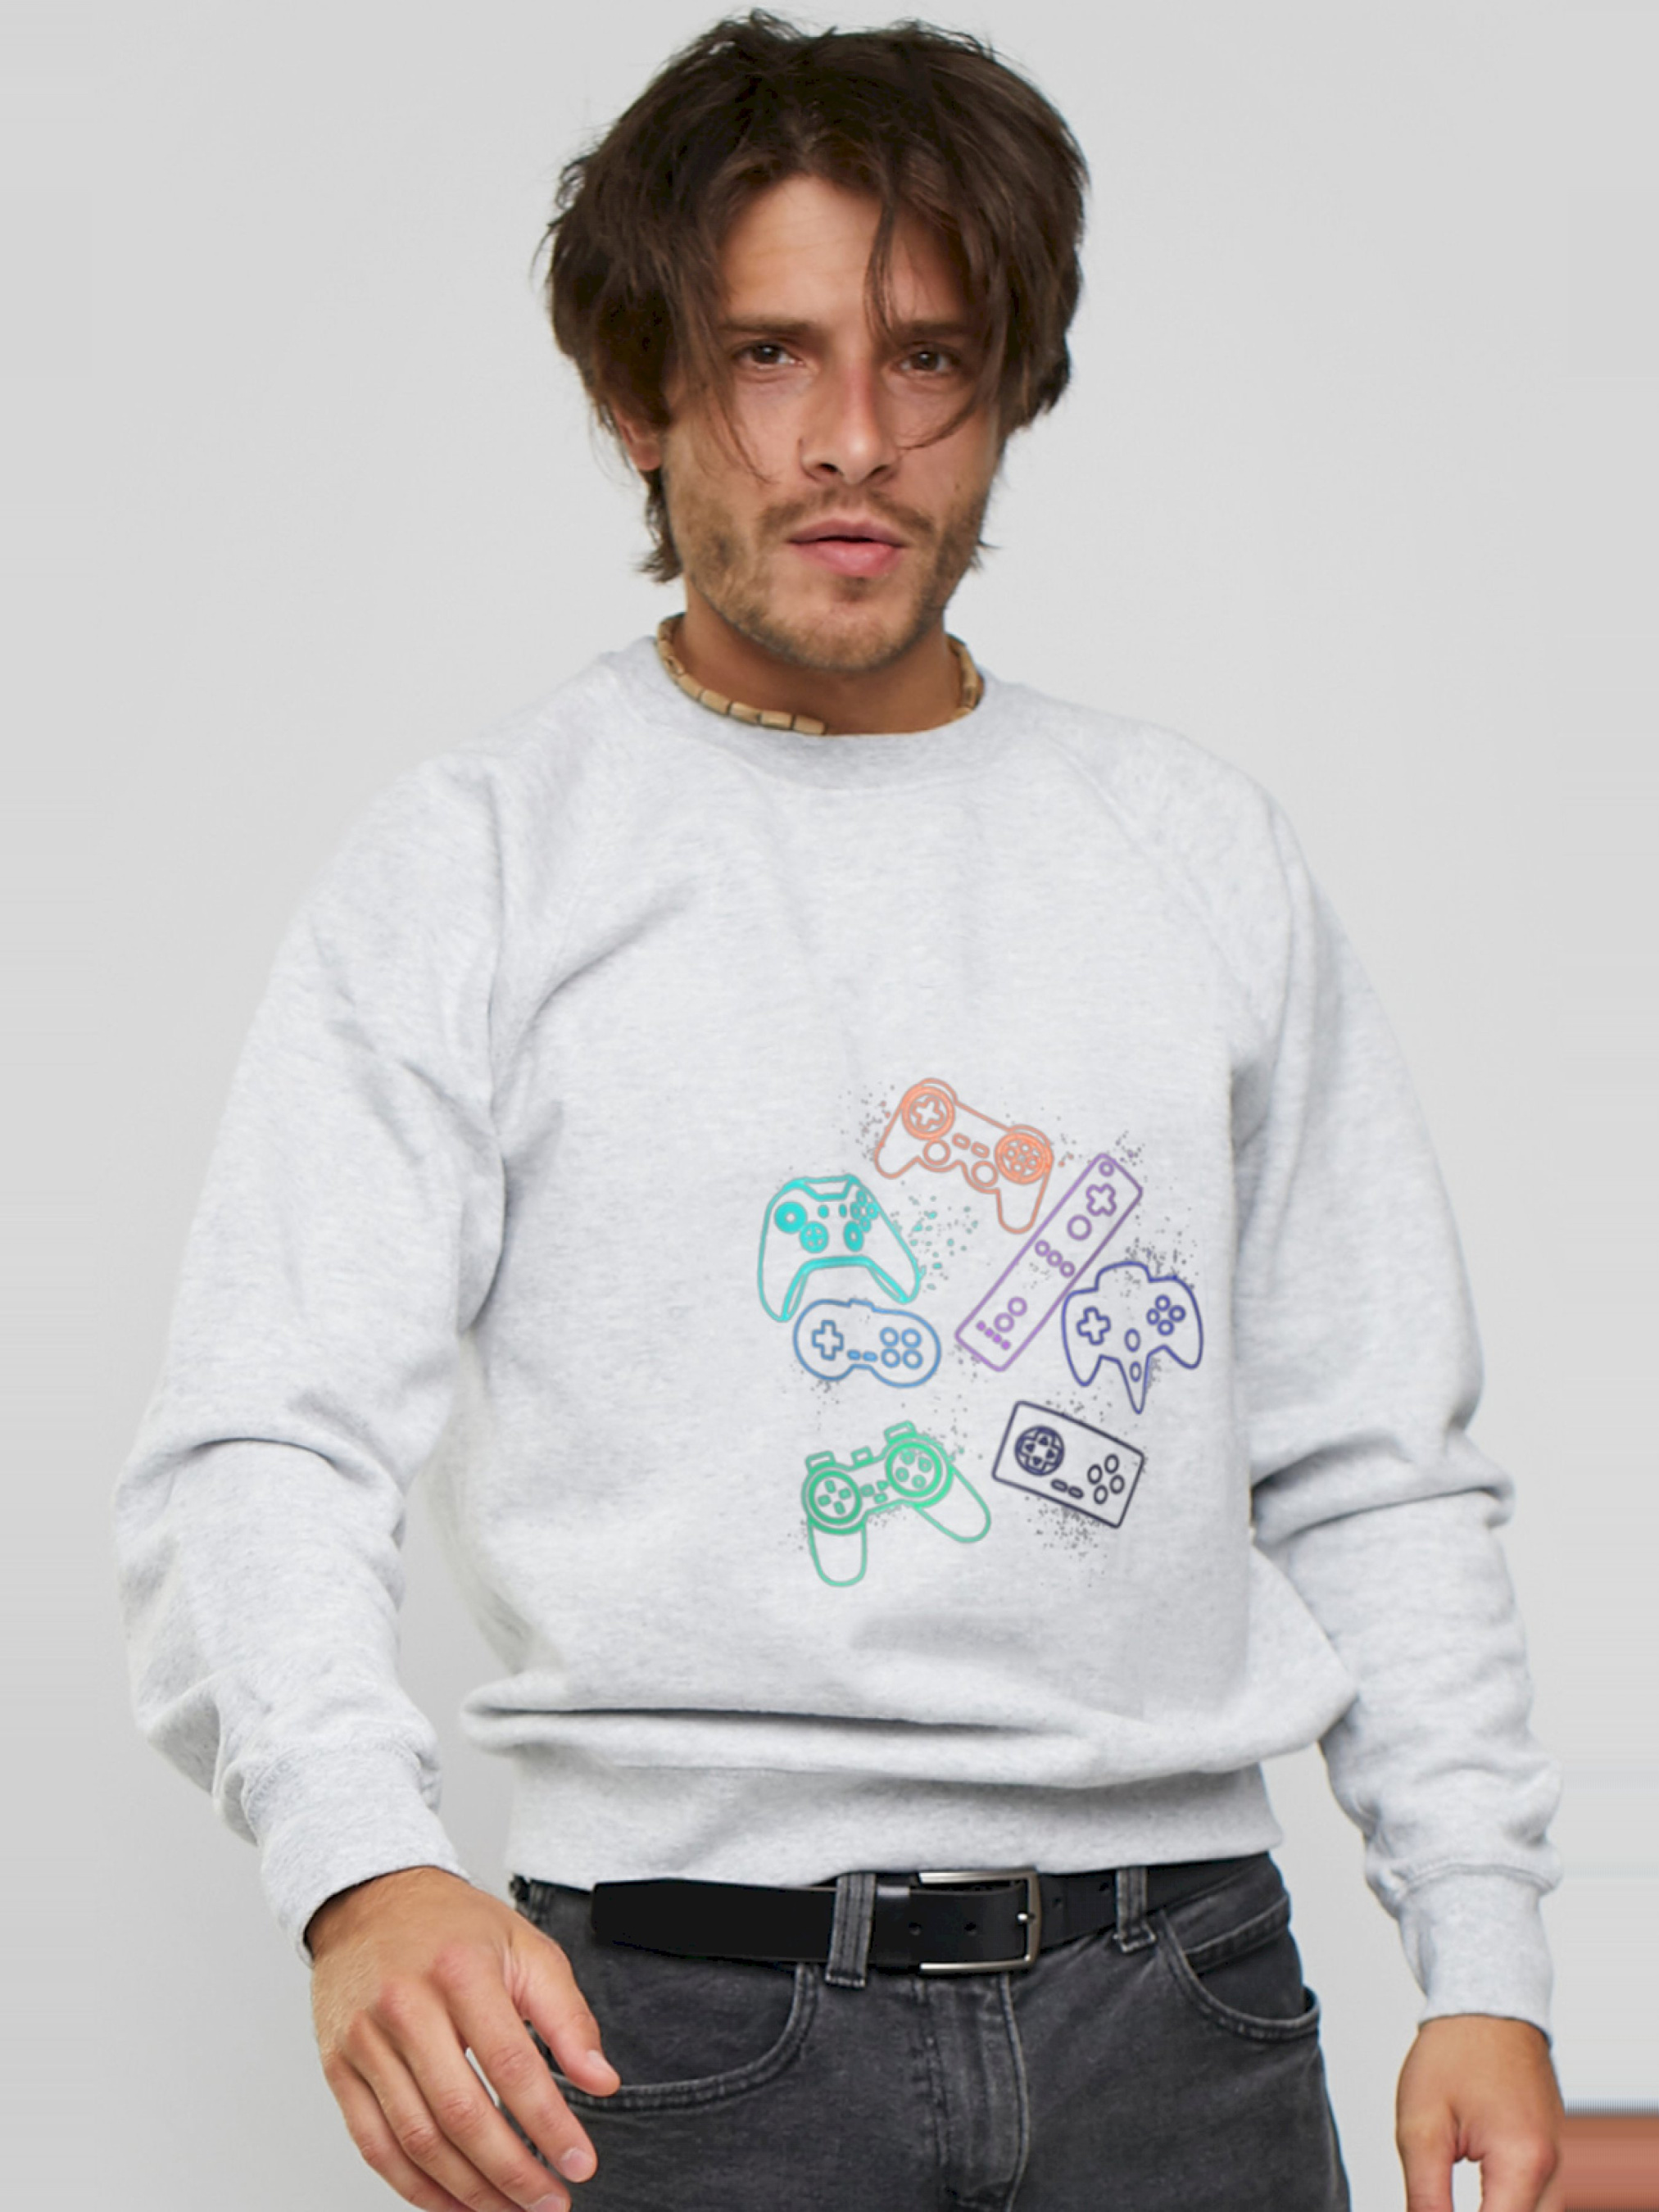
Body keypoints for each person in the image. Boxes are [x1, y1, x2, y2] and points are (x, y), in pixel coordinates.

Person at [115, 15, 1566, 2210]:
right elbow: (261, 1436)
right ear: (638, 394)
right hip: (675, 2029)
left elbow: (1372, 1459)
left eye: (928, 358)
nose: (855, 440)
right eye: (769, 355)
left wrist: (1485, 1955)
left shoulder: (1194, 849)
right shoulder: (486, 859)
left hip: (1182, 2010)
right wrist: (359, 1868)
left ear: (1012, 388)